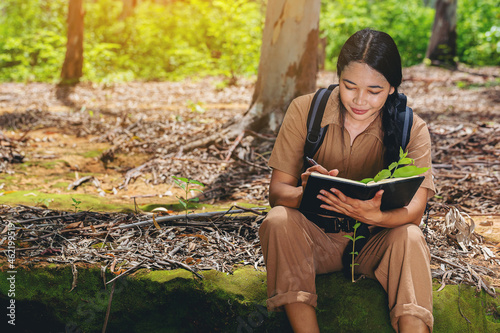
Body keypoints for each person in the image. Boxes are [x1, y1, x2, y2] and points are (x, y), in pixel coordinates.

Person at [258, 28, 435, 333]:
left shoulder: (412, 129)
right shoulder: (305, 111)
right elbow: (277, 193)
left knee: (410, 237)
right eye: (349, 86)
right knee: (277, 220)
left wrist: (375, 216)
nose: (360, 100)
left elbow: (415, 213)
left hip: (374, 243)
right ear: (337, 76)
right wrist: (306, 192)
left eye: (374, 91)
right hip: (313, 241)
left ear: (392, 88)